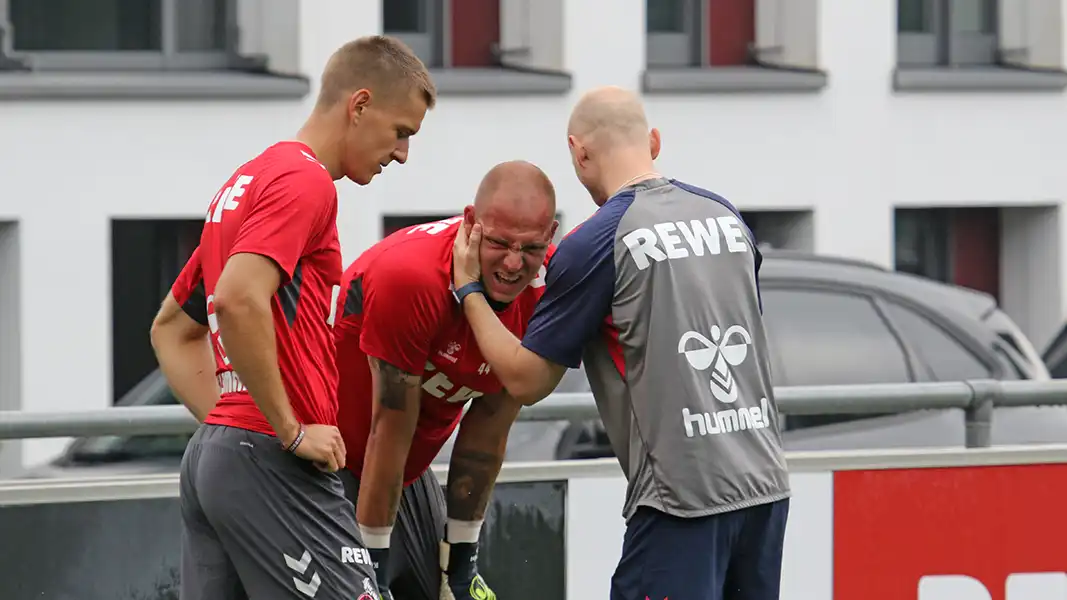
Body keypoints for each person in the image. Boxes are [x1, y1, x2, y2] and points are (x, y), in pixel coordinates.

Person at [450, 86, 792, 600]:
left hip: (682, 499)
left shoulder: (597, 240)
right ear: (653, 142)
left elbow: (524, 380)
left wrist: (469, 290)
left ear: (578, 153)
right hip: (766, 486)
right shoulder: (727, 216)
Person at [149, 35, 436, 600]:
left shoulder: (246, 182)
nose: (402, 153)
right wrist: (286, 429)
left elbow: (173, 329)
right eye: (401, 132)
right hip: (272, 458)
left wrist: (232, 425)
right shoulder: (304, 182)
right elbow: (237, 298)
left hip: (220, 456)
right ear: (359, 106)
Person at [332, 160, 558, 600]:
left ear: (550, 237)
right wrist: (372, 570)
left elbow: (488, 430)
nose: (513, 264)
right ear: (471, 222)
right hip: (331, 460)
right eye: (498, 243)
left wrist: (462, 563)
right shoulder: (411, 277)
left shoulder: (550, 287)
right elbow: (389, 428)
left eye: (530, 249)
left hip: (409, 472)